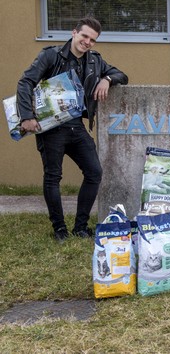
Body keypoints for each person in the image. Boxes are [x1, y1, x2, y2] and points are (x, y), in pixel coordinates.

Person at [16, 16, 128, 242]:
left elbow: (122, 76)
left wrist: (106, 79)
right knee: (53, 177)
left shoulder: (95, 61)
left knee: (94, 172)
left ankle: (80, 227)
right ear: (74, 32)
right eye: (84, 36)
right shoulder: (51, 55)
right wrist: (26, 116)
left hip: (76, 126)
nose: (87, 42)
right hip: (51, 128)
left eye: (92, 40)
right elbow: (25, 82)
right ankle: (59, 229)